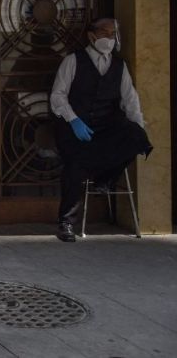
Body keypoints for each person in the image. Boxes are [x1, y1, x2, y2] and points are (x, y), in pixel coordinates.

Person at [49, 18, 152, 242]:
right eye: (104, 32)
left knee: (137, 137)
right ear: (91, 35)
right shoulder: (72, 61)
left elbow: (130, 101)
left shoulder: (119, 66)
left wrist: (139, 128)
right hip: (74, 128)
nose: (109, 38)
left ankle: (105, 178)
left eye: (113, 33)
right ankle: (66, 222)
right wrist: (73, 120)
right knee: (75, 166)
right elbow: (57, 96)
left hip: (105, 128)